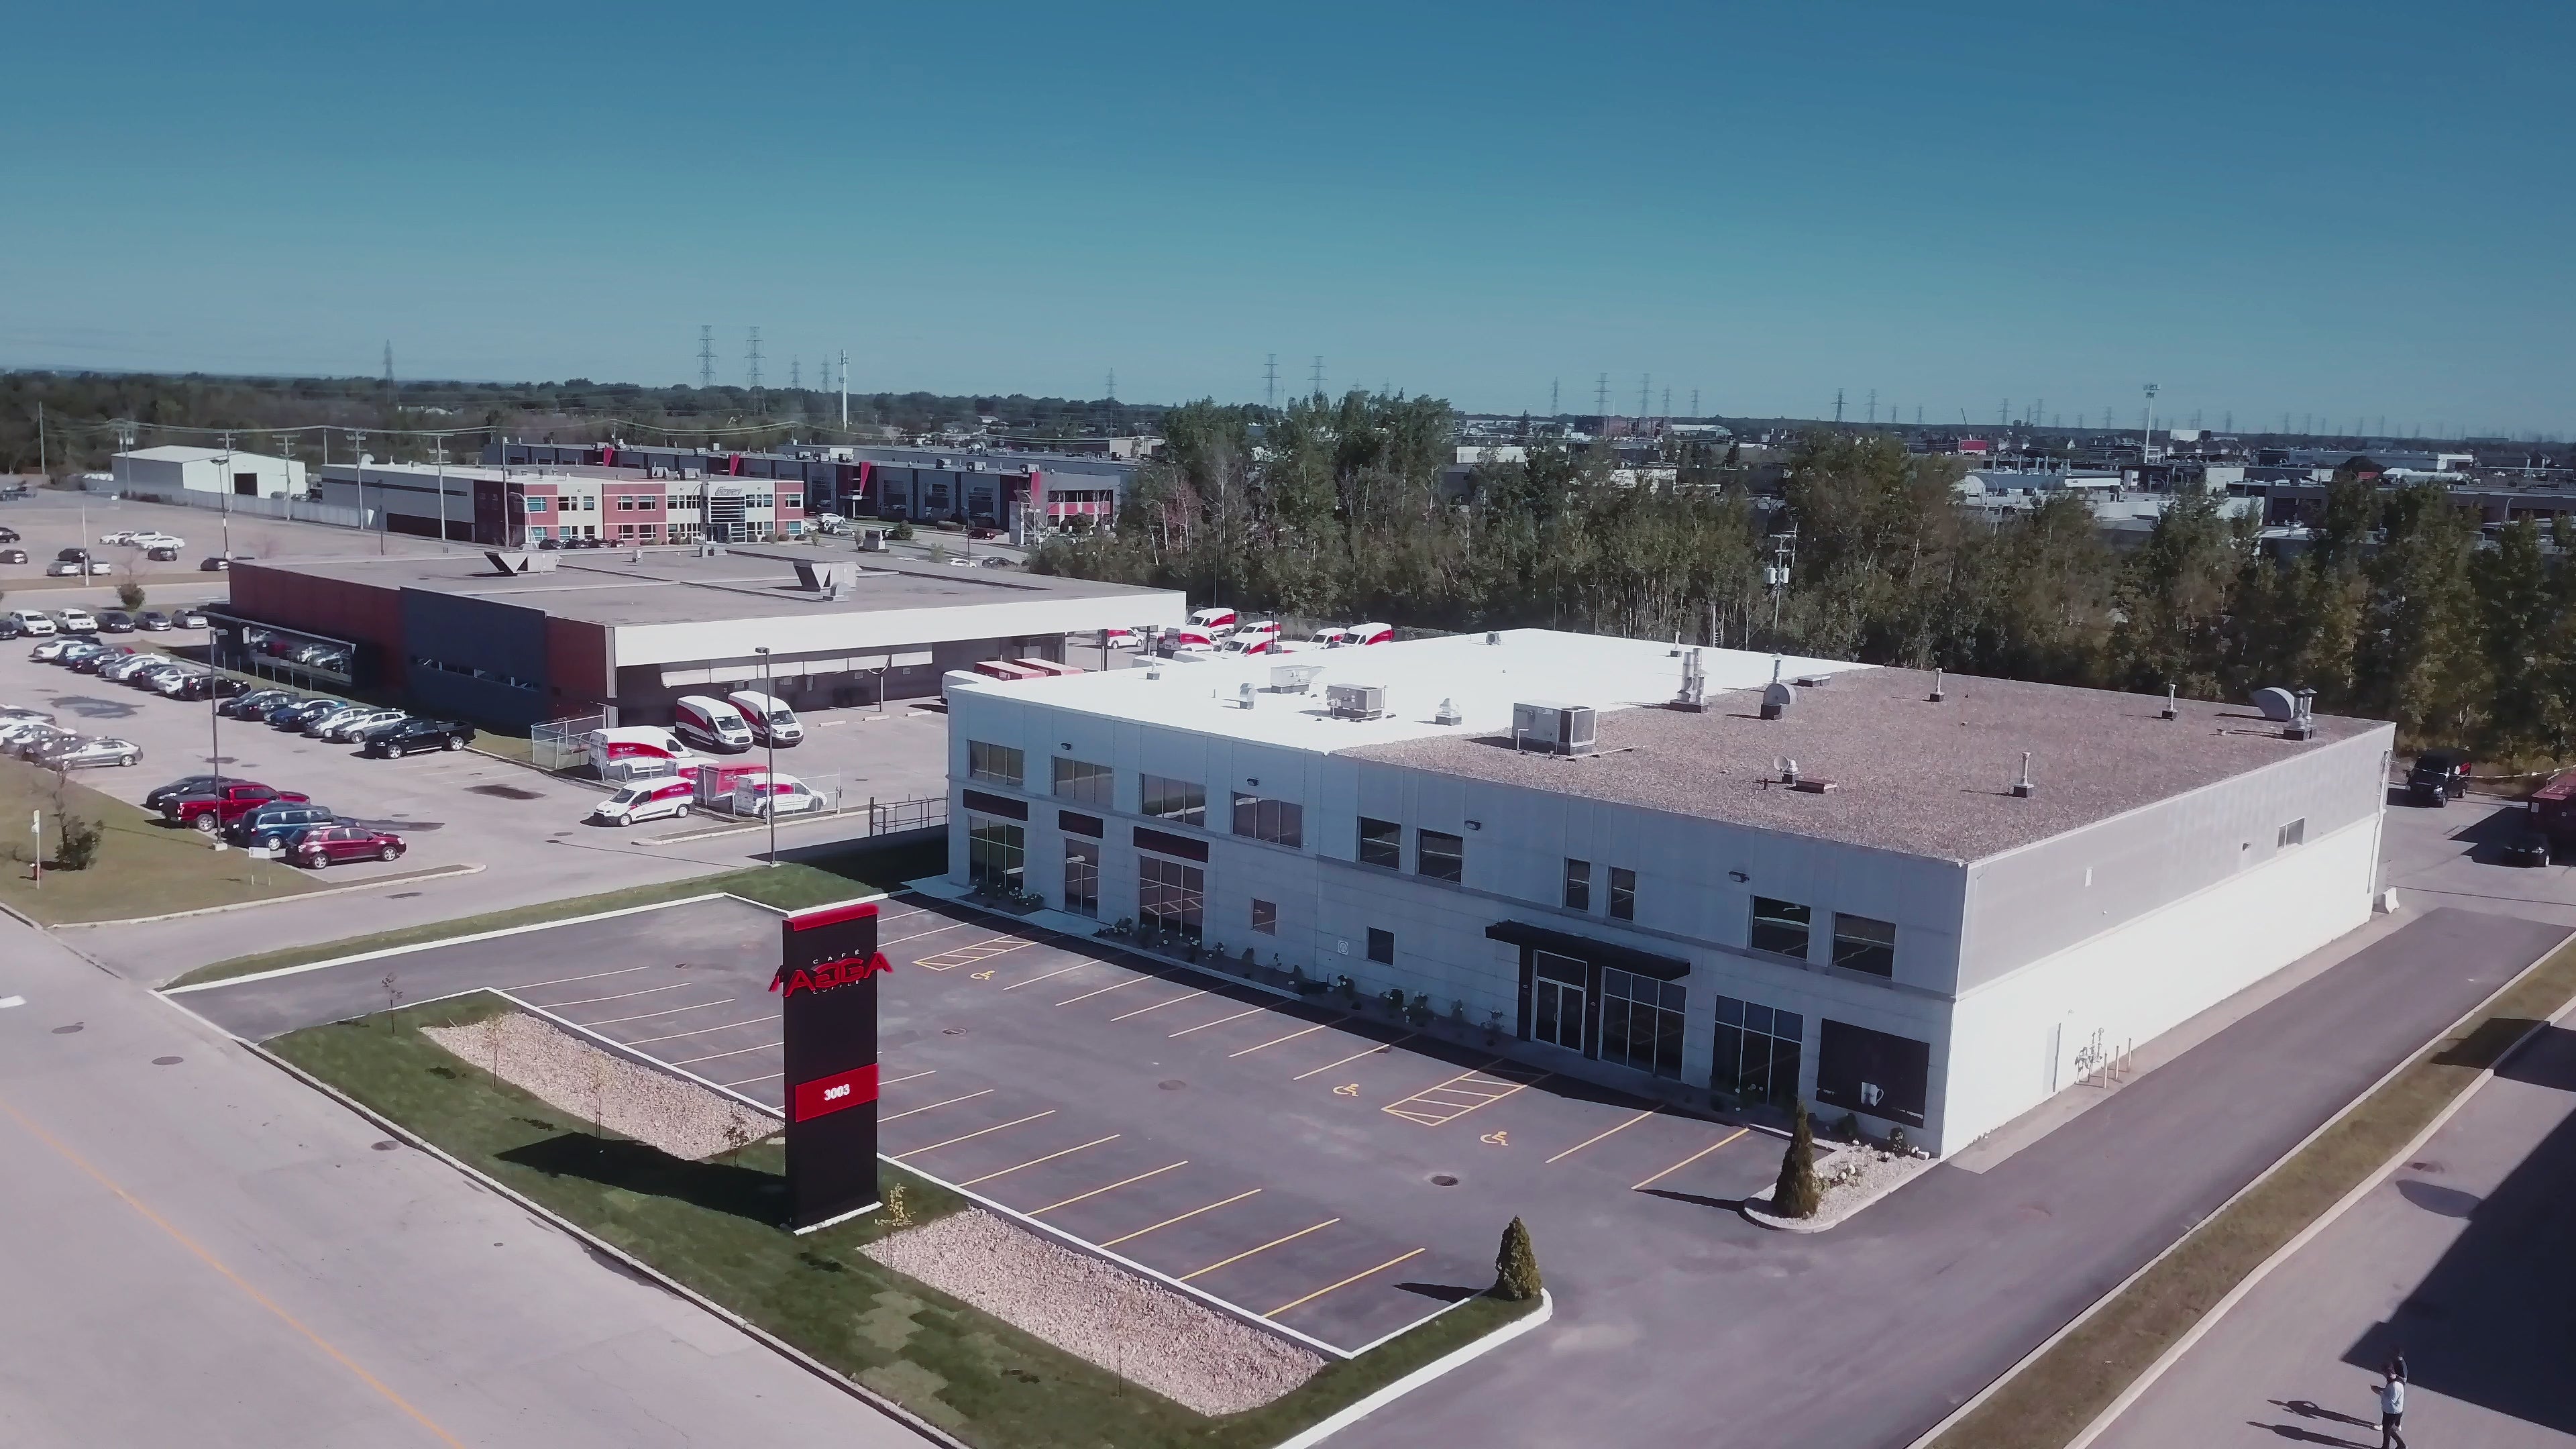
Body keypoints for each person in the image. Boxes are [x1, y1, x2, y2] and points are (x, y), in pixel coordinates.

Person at [2378, 1368, 2407, 1449]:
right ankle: (2396, 1445)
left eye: (2384, 1374)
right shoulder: (2392, 1381)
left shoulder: (2395, 1385)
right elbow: (2389, 1392)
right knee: (2387, 1429)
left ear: (2390, 1374)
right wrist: (2380, 1389)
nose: (2384, 1376)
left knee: (2387, 1429)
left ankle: (2399, 1445)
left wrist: (2380, 1393)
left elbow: (2392, 1400)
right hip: (2389, 1410)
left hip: (2393, 1412)